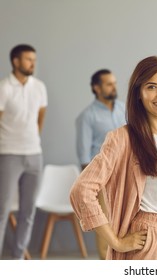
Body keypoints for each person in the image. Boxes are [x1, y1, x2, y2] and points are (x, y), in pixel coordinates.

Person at [70, 56, 157, 260]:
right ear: (138, 93)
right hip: (149, 246)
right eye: (152, 87)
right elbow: (82, 190)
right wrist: (116, 242)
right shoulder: (122, 138)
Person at [0, 44, 47, 259]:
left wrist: (32, 140)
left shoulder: (39, 87)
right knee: (2, 210)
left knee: (28, 212)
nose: (33, 64)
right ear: (15, 61)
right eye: (28, 59)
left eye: (34, 60)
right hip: (8, 154)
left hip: (34, 155)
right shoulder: (3, 88)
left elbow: (40, 118)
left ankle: (17, 259)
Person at [75, 69, 125, 259]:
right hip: (102, 178)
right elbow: (83, 155)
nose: (114, 87)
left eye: (115, 83)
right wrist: (92, 187)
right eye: (109, 84)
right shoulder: (87, 116)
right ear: (97, 88)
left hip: (128, 175)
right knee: (105, 224)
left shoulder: (124, 109)